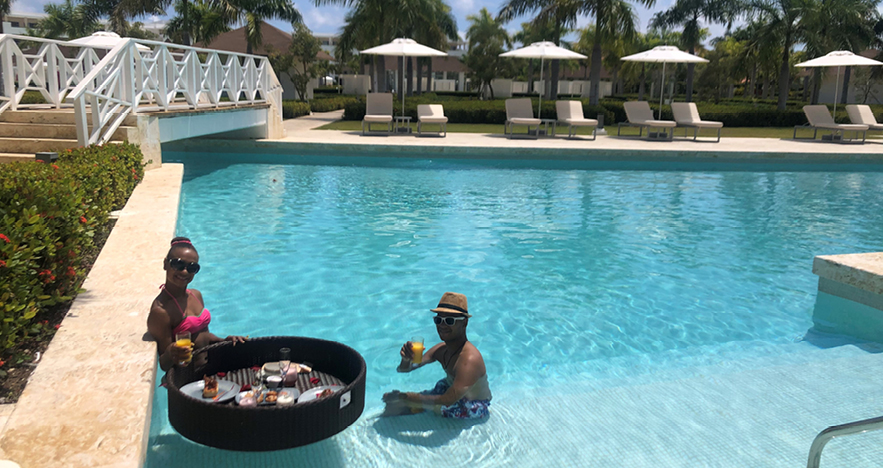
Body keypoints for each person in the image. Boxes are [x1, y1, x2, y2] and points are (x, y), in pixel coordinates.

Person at [382, 292, 492, 419]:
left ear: (464, 323)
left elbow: (448, 400)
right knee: (394, 402)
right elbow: (404, 369)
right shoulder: (441, 350)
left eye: (450, 320)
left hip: (471, 404)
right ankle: (414, 408)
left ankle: (415, 409)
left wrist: (406, 397)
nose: (442, 325)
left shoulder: (469, 360)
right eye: (438, 320)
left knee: (399, 403)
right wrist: (406, 360)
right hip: (452, 391)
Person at [147, 237, 246, 371]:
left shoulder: (196, 295)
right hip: (186, 380)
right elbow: (164, 364)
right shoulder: (161, 311)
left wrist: (223, 341)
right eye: (178, 264)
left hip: (209, 371)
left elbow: (201, 335)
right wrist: (171, 352)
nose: (184, 272)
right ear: (165, 264)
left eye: (192, 267)